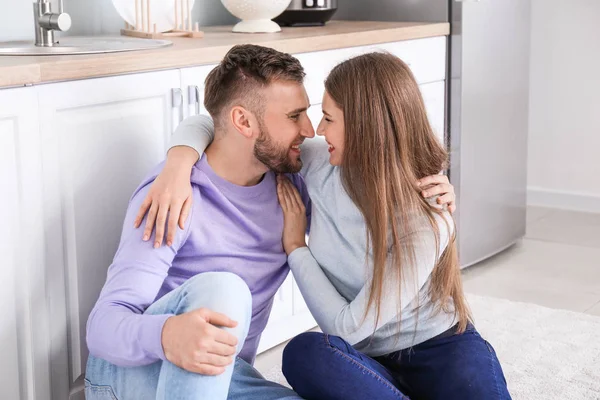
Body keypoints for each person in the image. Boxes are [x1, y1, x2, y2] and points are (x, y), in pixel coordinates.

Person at [142, 51, 510, 400]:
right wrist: (177, 166)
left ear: (368, 128)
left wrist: (295, 249)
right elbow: (218, 123)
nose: (315, 129)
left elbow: (347, 327)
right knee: (303, 353)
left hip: (440, 348)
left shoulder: (427, 218)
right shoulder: (320, 164)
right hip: (360, 359)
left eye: (329, 119)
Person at [85, 44, 315, 400]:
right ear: (243, 121)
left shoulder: (292, 184)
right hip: (134, 370)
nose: (309, 129)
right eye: (294, 115)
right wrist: (168, 335)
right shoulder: (173, 196)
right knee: (225, 289)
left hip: (224, 374)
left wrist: (430, 185)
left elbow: (366, 161)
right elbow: (102, 329)